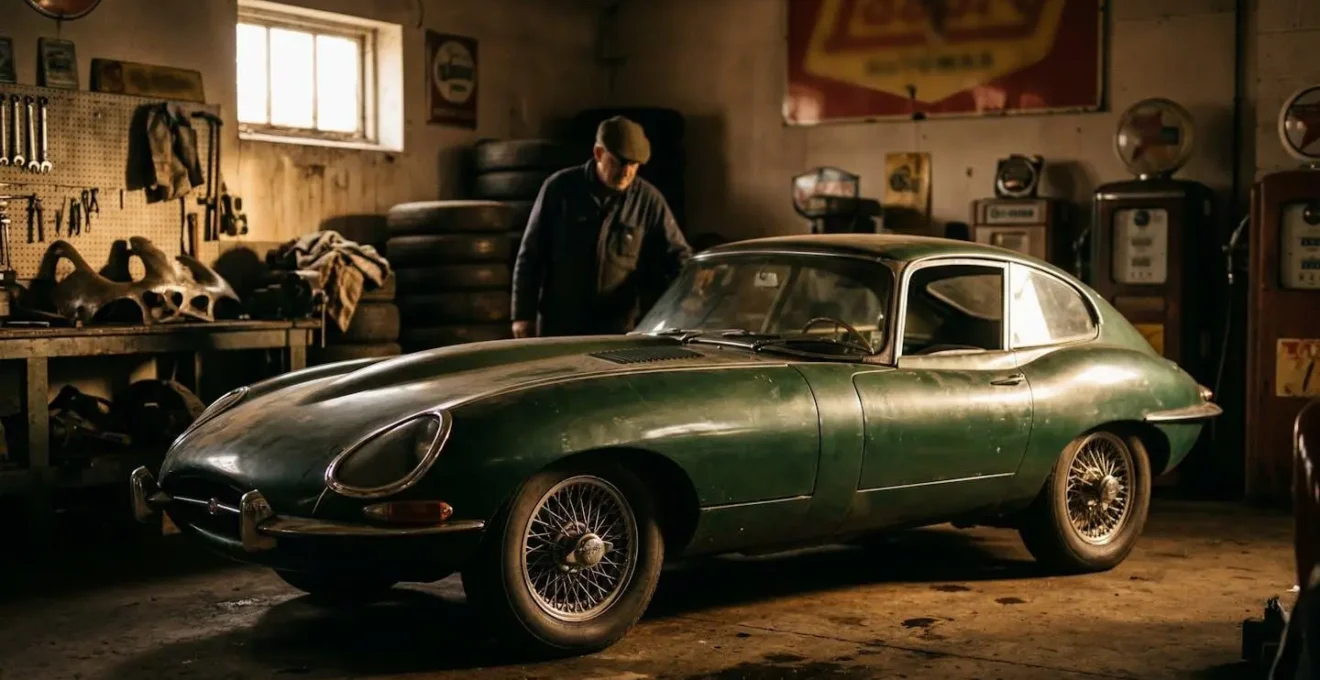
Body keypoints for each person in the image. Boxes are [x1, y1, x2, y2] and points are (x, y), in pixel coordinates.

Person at [510, 116, 693, 338]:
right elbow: (531, 255)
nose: (626, 172)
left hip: (616, 328)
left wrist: (689, 300)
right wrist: (522, 315)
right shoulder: (560, 190)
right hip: (560, 325)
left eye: (634, 165)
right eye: (619, 162)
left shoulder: (648, 200)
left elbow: (678, 256)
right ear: (598, 153)